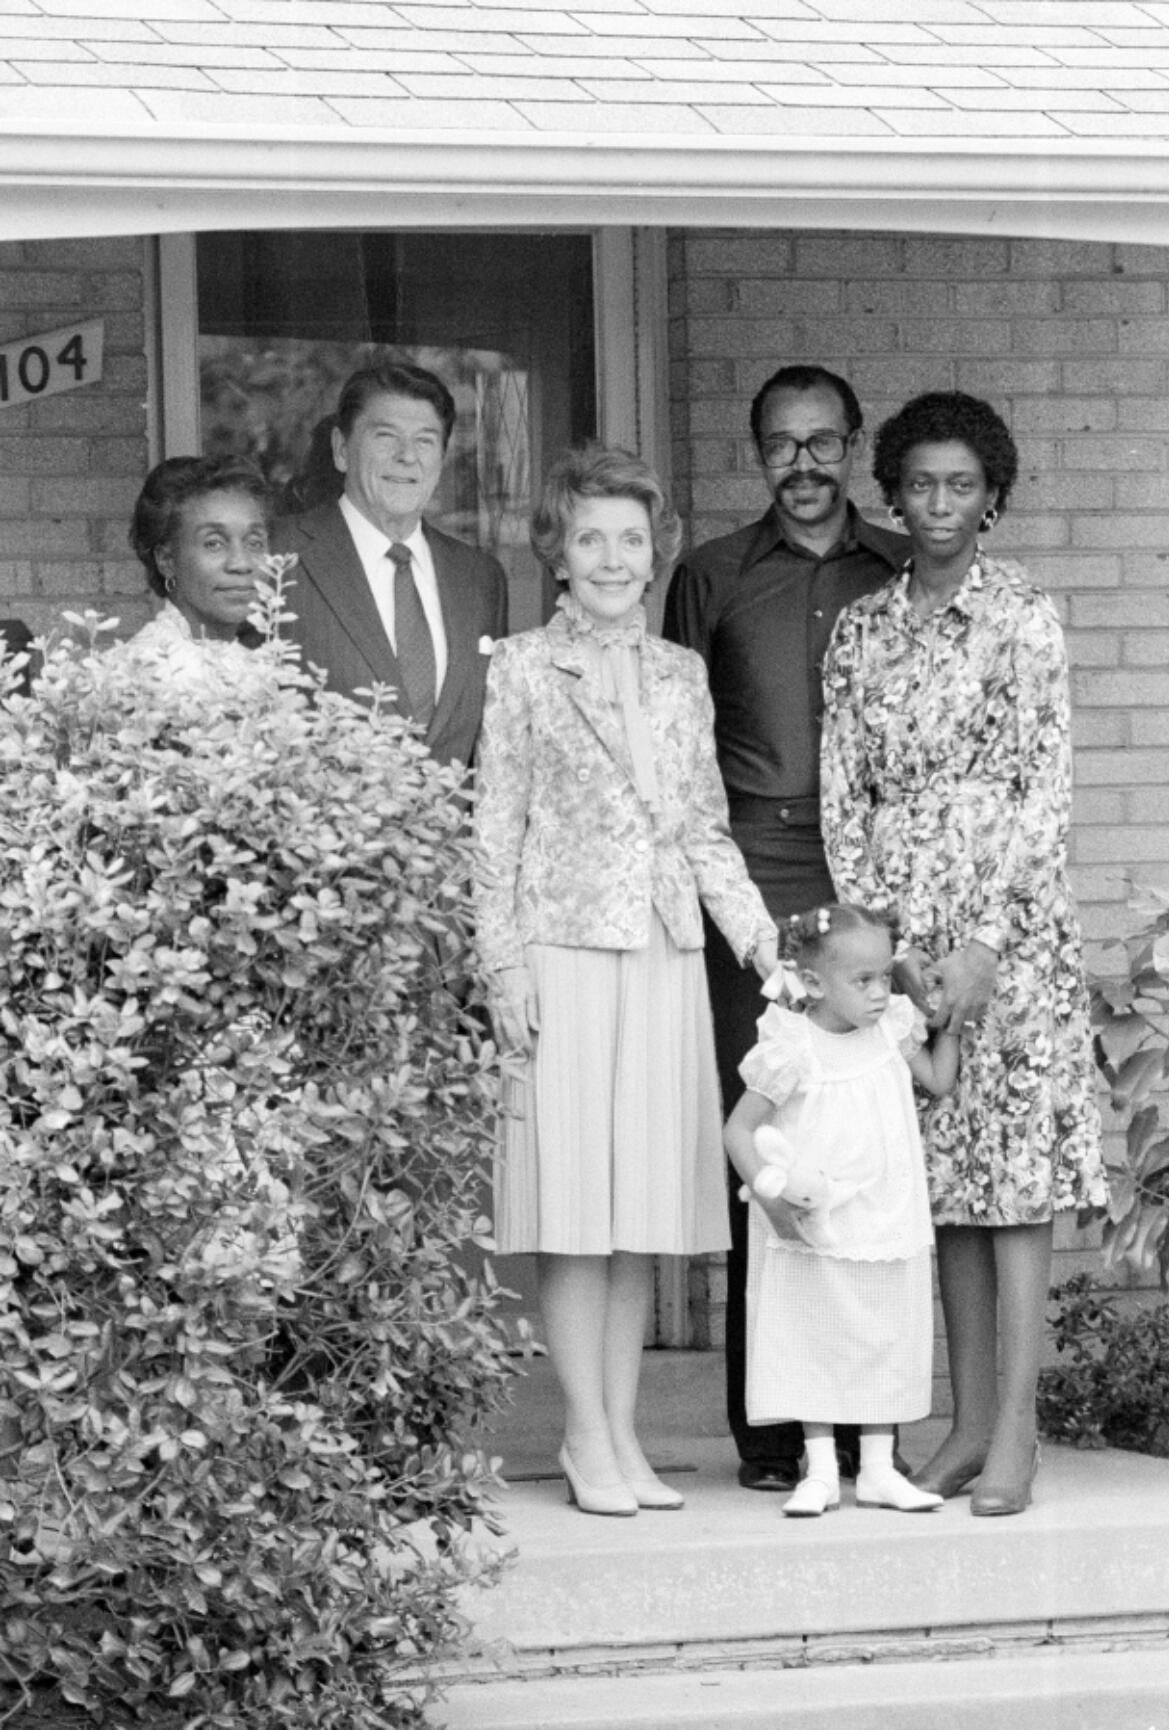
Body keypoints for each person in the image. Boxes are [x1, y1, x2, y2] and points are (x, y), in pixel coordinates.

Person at [473, 444, 778, 1518]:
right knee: (574, 1210)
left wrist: (765, 950)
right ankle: (583, 1434)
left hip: (660, 955)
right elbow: (491, 832)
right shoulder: (515, 666)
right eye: (589, 537)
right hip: (561, 953)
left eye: (629, 538)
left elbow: (701, 830)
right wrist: (502, 969)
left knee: (639, 1207)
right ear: (556, 551)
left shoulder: (678, 675)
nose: (611, 557)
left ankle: (623, 1433)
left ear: (656, 553)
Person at [822, 390, 1107, 1517]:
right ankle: (961, 1417)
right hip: (903, 931)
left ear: (991, 498)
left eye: (960, 485)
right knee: (942, 1181)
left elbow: (1045, 791)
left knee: (1013, 1182)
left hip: (1012, 931)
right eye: (919, 484)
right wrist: (884, 945)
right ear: (889, 491)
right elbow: (844, 793)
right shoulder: (860, 628)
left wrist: (985, 940)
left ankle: (1018, 1432)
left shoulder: (1023, 618)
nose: (937, 504)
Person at [663, 364, 909, 1492]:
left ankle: (871, 1422)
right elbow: (680, 748)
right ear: (754, 452)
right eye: (780, 444)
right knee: (765, 1139)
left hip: (862, 875)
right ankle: (770, 1429)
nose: (802, 463)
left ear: (853, 446)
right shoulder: (710, 575)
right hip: (749, 879)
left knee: (867, 1140)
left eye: (823, 442)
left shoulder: (898, 567)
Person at [724, 905, 960, 1517]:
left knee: (880, 1336)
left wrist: (953, 1026)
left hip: (884, 1216)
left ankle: (878, 1469)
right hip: (817, 1222)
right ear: (817, 981)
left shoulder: (892, 1031)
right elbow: (739, 1130)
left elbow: (936, 1081)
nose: (882, 992)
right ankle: (823, 1470)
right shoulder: (792, 1046)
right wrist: (769, 1198)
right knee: (818, 1336)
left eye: (885, 977)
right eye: (864, 981)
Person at [273, 361, 508, 766]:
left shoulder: (480, 577)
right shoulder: (277, 555)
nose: (406, 457)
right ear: (341, 449)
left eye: (425, 441)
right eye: (386, 437)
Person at [126, 454, 278, 699]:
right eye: (214, 544)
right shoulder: (158, 672)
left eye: (254, 542)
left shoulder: (245, 664)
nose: (241, 563)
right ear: (166, 560)